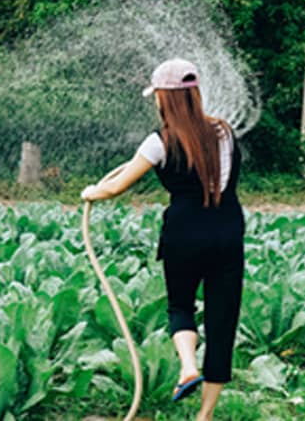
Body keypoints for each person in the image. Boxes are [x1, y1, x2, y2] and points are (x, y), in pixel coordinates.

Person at [80, 58, 244, 421]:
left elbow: (117, 186)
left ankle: (188, 367)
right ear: (195, 94)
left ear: (165, 99)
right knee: (222, 320)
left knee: (180, 306)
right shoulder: (225, 132)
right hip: (227, 231)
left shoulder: (160, 141)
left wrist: (91, 192)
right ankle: (205, 417)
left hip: (185, 233)